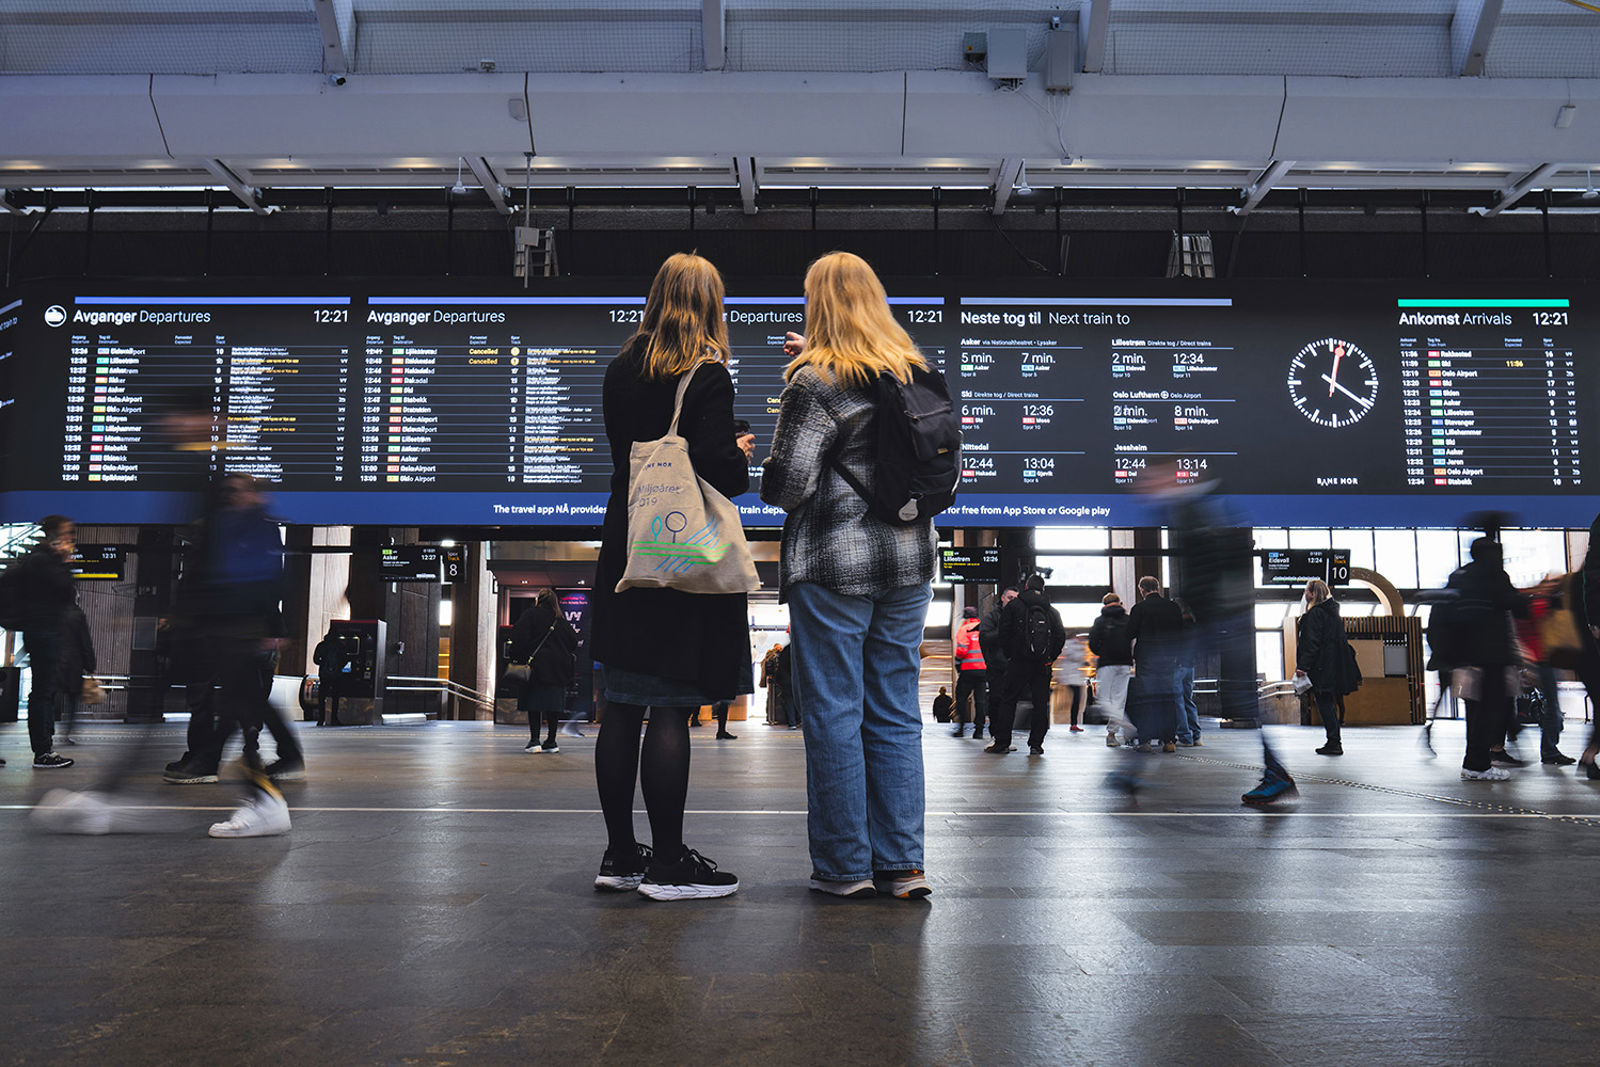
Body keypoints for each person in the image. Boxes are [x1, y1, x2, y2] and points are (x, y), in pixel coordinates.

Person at [762, 250, 937, 900]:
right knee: (895, 712)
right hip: (910, 562)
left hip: (834, 565)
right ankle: (903, 866)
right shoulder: (912, 371)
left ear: (820, 305)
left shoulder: (814, 381)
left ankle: (844, 868)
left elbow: (789, 484)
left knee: (834, 712)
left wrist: (768, 461)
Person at [589, 252, 750, 901]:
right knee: (670, 707)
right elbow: (718, 471)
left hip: (626, 550)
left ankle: (622, 855)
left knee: (622, 704)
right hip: (679, 559)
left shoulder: (619, 370)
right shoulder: (707, 372)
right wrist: (740, 453)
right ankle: (668, 865)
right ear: (709, 303)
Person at [1447, 537, 1530, 781]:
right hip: (1492, 656)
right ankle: (1479, 764)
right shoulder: (1494, 575)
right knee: (1492, 710)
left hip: (1465, 657)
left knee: (1475, 712)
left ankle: (1474, 762)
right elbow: (1515, 605)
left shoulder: (1459, 576)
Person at [8, 516, 79, 769]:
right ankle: (42, 752)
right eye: (67, 533)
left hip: (44, 631)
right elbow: (66, 591)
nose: (71, 538)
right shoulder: (42, 561)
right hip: (43, 632)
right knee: (42, 692)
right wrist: (63, 561)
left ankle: (44, 748)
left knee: (44, 691)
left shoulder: (40, 559)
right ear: (53, 535)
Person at [987, 573, 1066, 757]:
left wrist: (1010, 655)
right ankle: (1036, 745)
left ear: (1026, 587)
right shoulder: (1052, 611)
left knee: (1008, 701)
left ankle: (1002, 742)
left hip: (1018, 662)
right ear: (1044, 589)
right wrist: (1049, 657)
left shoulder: (1014, 606)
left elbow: (1003, 633)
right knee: (1040, 704)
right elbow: (1060, 637)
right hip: (1042, 664)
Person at [510, 588, 579, 754]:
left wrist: (518, 656)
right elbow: (573, 643)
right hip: (558, 671)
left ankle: (534, 740)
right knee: (553, 705)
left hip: (535, 668)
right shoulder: (561, 622)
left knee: (534, 704)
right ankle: (552, 741)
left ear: (538, 600)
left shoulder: (530, 615)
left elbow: (518, 638)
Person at [1127, 575, 1185, 753]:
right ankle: (1169, 741)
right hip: (1168, 660)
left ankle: (1145, 741)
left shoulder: (1139, 608)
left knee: (1146, 700)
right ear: (1158, 588)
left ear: (1142, 590)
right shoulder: (1173, 607)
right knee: (1168, 699)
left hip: (1146, 661)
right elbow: (1181, 634)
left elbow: (1130, 632)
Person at [1296, 579, 1353, 756]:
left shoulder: (1315, 614)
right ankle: (1334, 740)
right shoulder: (1333, 614)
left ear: (1312, 594)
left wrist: (1303, 666)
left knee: (1324, 703)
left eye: (1306, 591)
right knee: (1328, 702)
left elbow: (1311, 643)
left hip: (1321, 666)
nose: (1305, 594)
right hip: (1334, 665)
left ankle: (1334, 741)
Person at [1089, 592, 1134, 748]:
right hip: (1125, 663)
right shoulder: (1128, 620)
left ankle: (1125, 724)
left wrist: (1103, 652)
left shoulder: (1100, 621)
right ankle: (1112, 734)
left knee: (1103, 699)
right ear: (1119, 603)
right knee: (1119, 700)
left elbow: (1093, 644)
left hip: (1107, 663)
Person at [976, 586, 1017, 742]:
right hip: (997, 667)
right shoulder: (992, 617)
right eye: (1010, 598)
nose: (1012, 602)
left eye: (1015, 599)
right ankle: (996, 735)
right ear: (1003, 598)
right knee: (996, 700)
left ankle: (1004, 737)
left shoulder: (1017, 617)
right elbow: (985, 637)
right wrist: (1004, 631)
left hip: (1012, 666)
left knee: (1008, 703)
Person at [55, 602, 97, 747]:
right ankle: (66, 733)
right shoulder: (77, 614)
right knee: (72, 700)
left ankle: (46, 732)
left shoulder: (52, 611)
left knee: (48, 696)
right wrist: (90, 666)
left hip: (54, 660)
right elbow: (85, 642)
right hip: (73, 663)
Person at [951, 605, 986, 737]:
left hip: (968, 670)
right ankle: (979, 731)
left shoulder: (964, 628)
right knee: (980, 701)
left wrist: (958, 664)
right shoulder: (983, 628)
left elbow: (962, 650)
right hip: (982, 670)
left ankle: (961, 729)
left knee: (961, 699)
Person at [312, 629, 350, 727]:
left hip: (324, 675)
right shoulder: (340, 646)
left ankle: (321, 719)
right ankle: (334, 719)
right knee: (335, 697)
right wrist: (338, 666)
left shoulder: (321, 645)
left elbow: (315, 659)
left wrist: (323, 664)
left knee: (322, 697)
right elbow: (346, 659)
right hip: (336, 675)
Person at [1059, 634, 1090, 733]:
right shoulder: (1073, 645)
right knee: (1076, 700)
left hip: (1073, 677)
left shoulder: (1072, 645)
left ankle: (1074, 723)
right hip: (1072, 678)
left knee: (1076, 700)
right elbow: (1076, 657)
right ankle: (1073, 723)